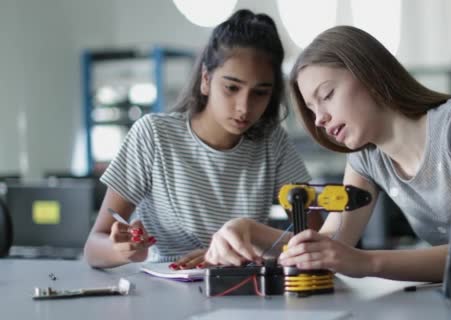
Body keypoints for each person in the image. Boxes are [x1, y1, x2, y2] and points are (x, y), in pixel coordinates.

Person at [204, 25, 451, 282]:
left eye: (327, 95)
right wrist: (247, 230)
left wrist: (365, 262)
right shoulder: (366, 157)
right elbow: (329, 244)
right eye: (311, 109)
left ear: (369, 74)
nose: (320, 118)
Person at [83, 9, 321, 269]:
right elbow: (94, 247)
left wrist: (251, 238)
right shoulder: (153, 135)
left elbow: (316, 242)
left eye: (260, 93)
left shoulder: (272, 142)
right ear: (206, 80)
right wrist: (123, 250)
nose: (244, 106)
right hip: (166, 292)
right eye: (231, 88)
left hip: (242, 293)